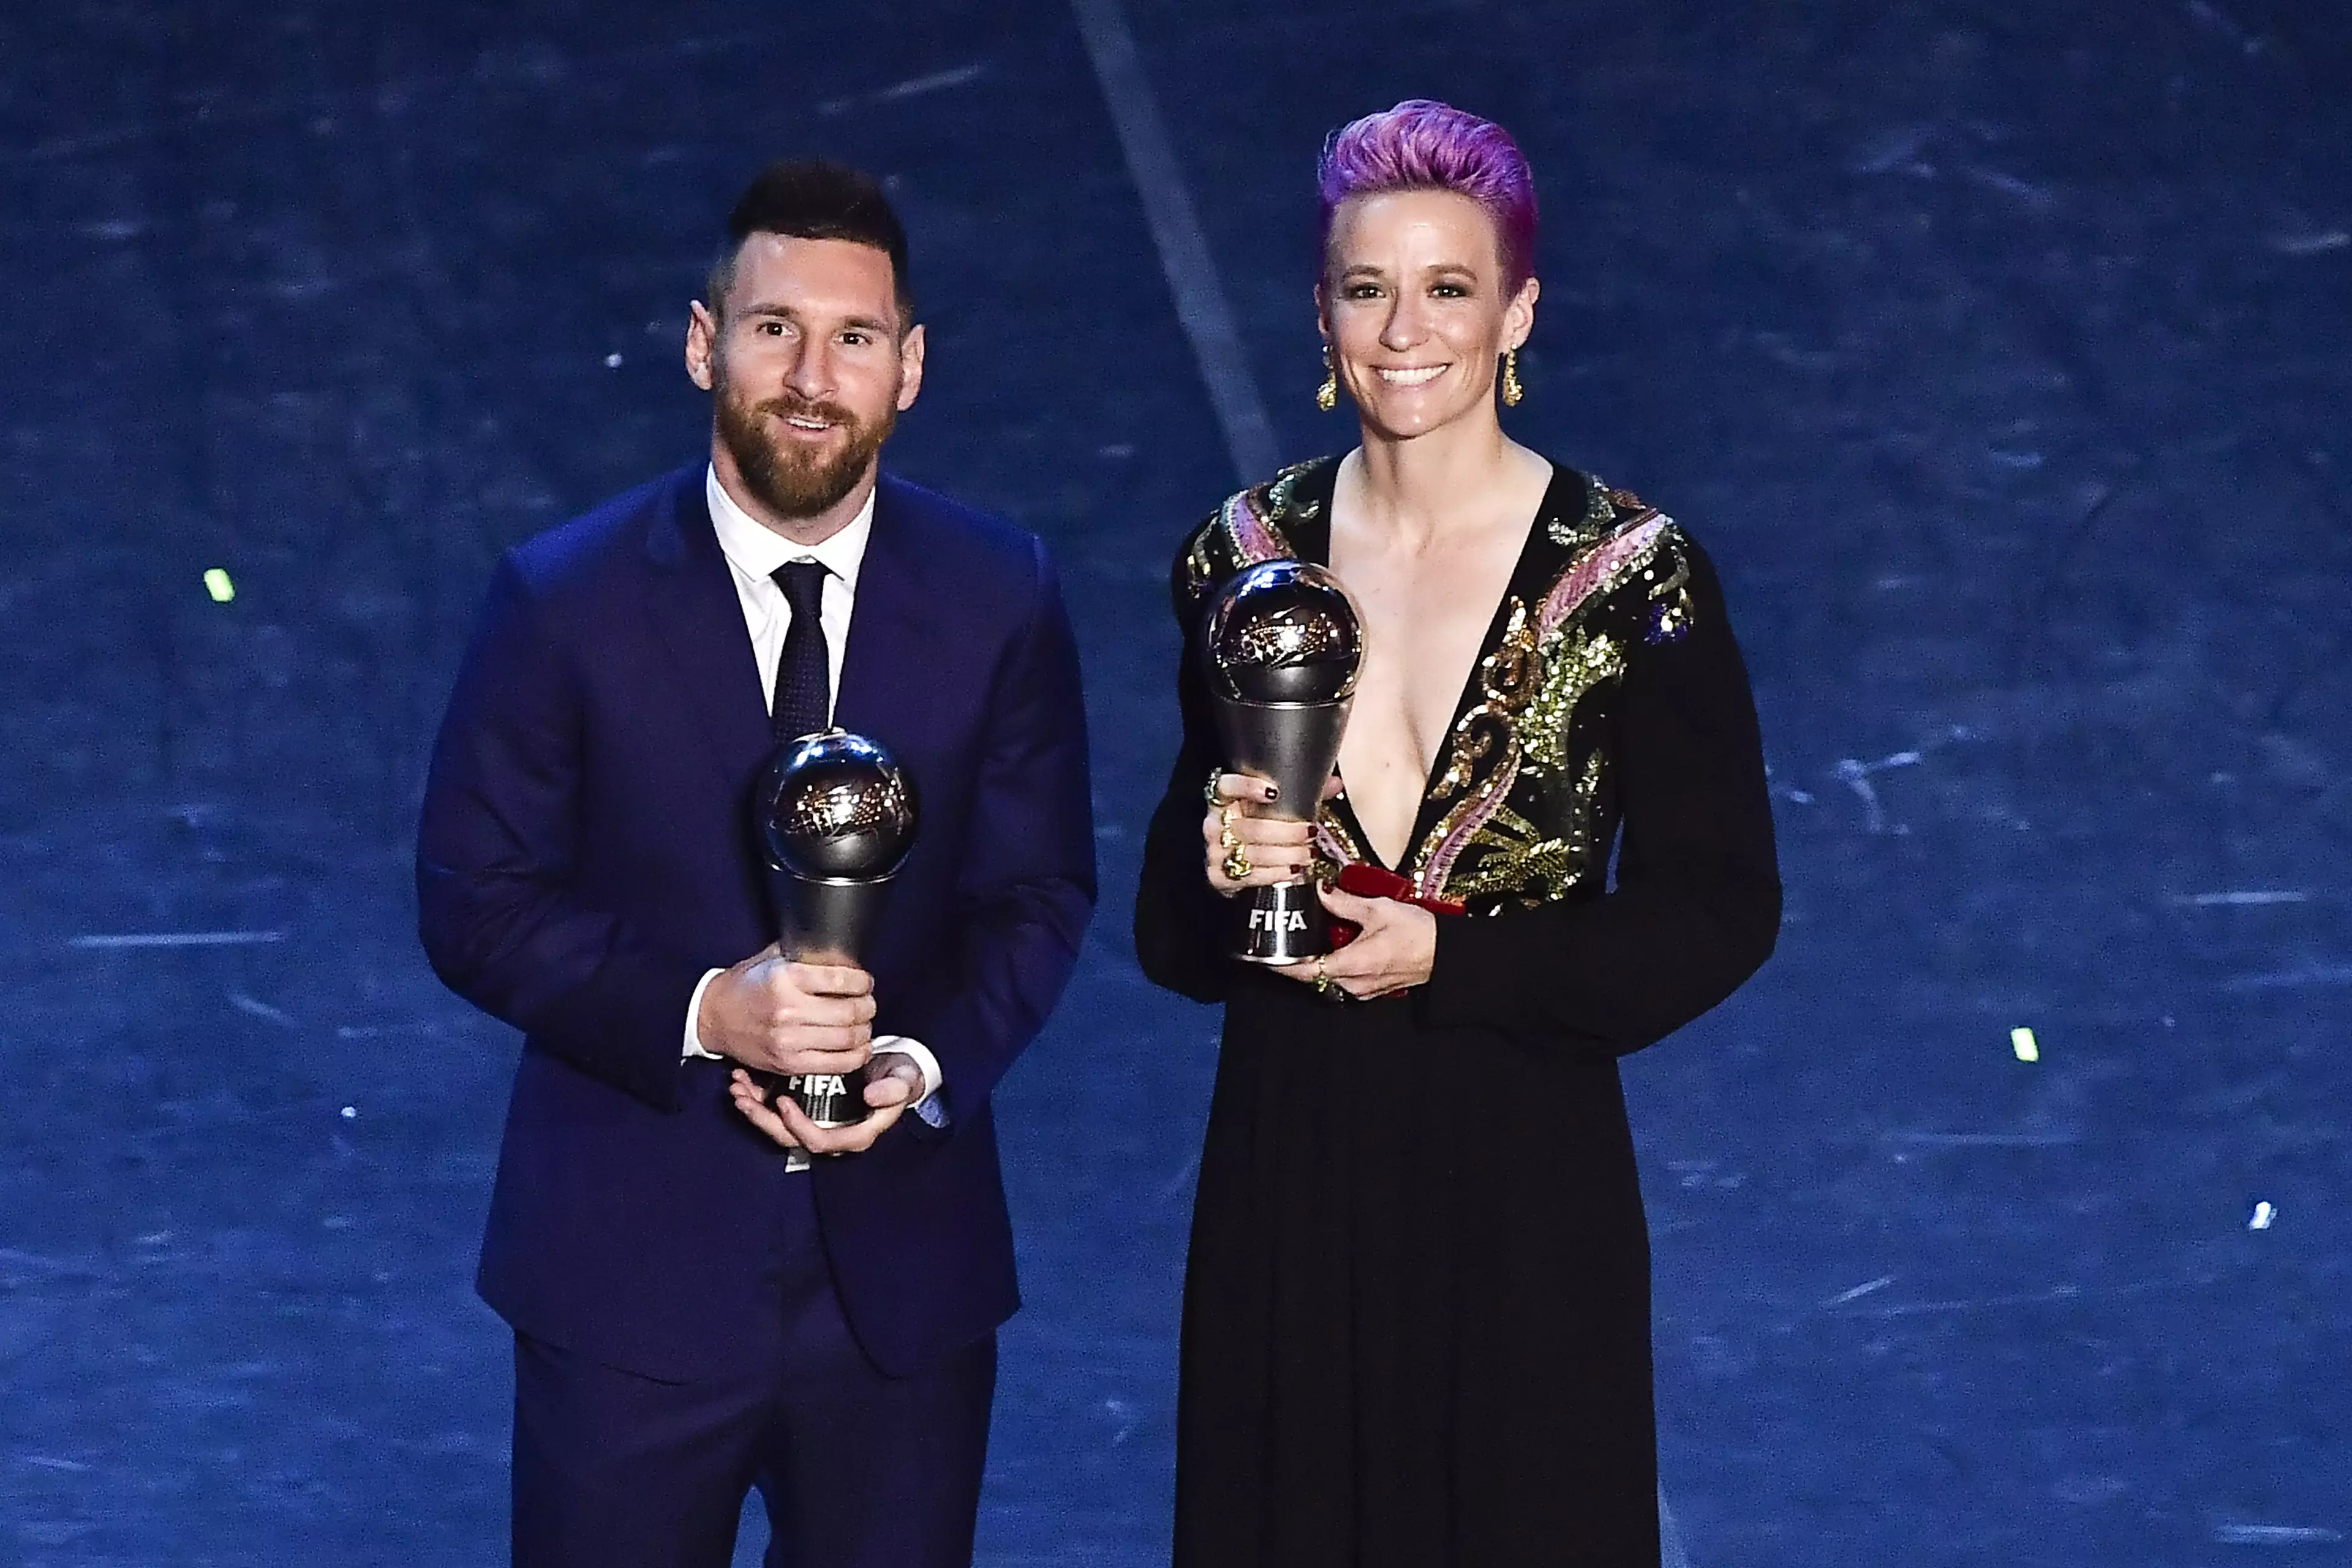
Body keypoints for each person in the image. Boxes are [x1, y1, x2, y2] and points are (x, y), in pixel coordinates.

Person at [417, 159, 1095, 1567]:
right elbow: (475, 900)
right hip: (627, 1288)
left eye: (854, 338)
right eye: (773, 326)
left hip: (901, 1290)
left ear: (909, 369)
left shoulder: (999, 594)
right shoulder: (564, 599)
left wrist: (912, 1067)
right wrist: (704, 1010)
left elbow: (1036, 895)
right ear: (701, 342)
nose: (810, 374)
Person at [1134, 101, 1781, 1566]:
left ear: (1517, 311)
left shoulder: (1633, 578)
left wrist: (1453, 960)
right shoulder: (1239, 561)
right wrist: (1218, 870)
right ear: (1321, 313)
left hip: (1522, 1189)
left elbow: (1723, 905)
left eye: (1449, 288)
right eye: (1368, 289)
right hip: (1288, 1181)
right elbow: (1174, 930)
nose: (1405, 331)